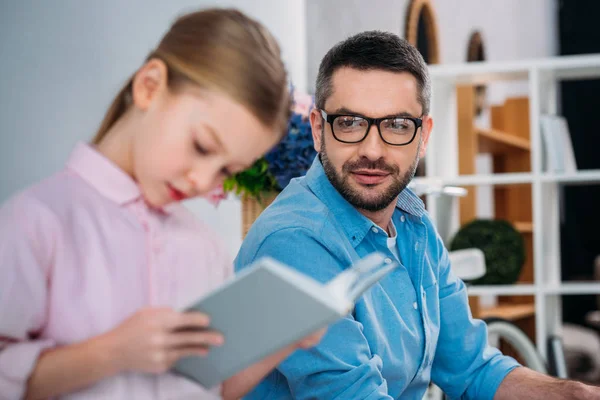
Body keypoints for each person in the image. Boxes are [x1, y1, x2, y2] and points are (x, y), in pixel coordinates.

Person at [235, 31, 600, 399]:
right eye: (349, 122)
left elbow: (472, 368)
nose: (372, 150)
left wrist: (575, 394)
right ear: (318, 130)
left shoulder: (415, 224)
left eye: (396, 125)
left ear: (423, 135)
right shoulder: (293, 241)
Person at [0, 8, 324, 400]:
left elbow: (213, 388)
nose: (204, 182)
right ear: (150, 86)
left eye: (227, 171)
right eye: (202, 146)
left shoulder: (204, 248)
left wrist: (287, 339)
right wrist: (112, 353)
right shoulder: (37, 222)